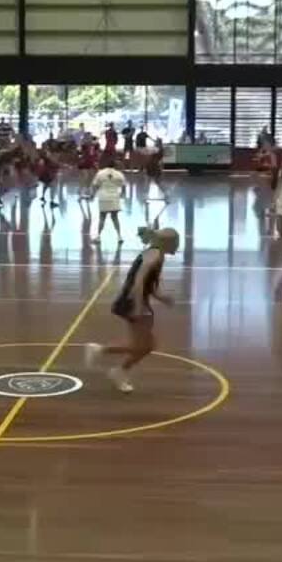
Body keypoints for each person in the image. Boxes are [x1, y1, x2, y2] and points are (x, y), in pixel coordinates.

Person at [85, 227, 180, 393]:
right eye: (176, 241)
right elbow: (138, 282)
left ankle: (109, 360)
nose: (178, 245)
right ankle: (110, 361)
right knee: (142, 346)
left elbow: (150, 285)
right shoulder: (154, 254)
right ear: (169, 242)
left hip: (136, 300)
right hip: (133, 301)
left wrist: (162, 298)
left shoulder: (156, 254)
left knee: (147, 345)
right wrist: (138, 307)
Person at [91, 159, 127, 244]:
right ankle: (119, 236)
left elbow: (95, 185)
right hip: (114, 197)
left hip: (103, 197)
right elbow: (124, 185)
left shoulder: (100, 173)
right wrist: (122, 194)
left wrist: (92, 195)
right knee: (115, 218)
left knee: (102, 217)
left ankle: (98, 236)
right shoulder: (119, 174)